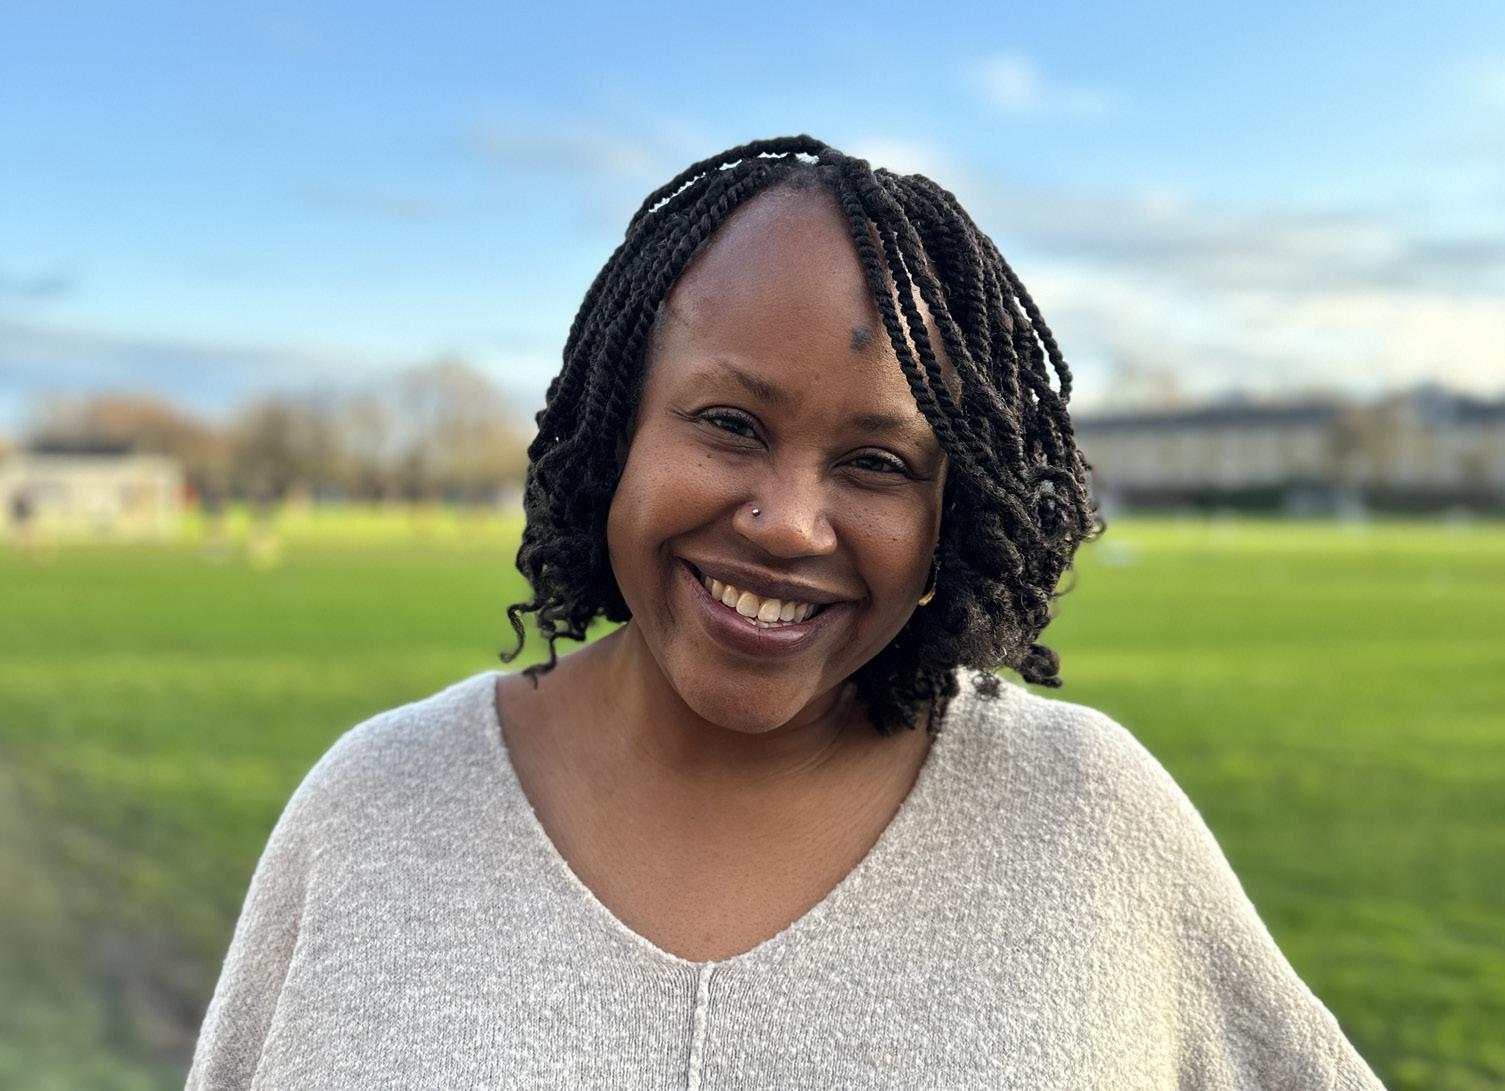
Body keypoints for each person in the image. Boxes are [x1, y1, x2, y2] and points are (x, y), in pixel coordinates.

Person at [186, 136, 1385, 1089]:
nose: (789, 523)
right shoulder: (374, 807)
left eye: (876, 463)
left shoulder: (1089, 819)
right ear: (614, 435)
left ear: (949, 517)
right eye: (728, 423)